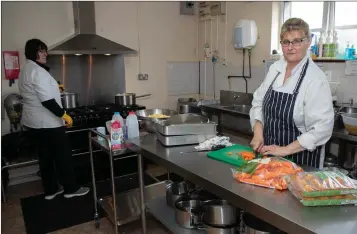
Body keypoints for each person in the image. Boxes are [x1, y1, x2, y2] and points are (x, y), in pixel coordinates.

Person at [249, 18, 334, 168]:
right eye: (286, 42)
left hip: (302, 159)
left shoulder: (315, 78)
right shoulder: (275, 68)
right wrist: (258, 133)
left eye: (297, 41)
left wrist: (284, 150)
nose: (291, 47)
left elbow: (322, 128)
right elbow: (258, 102)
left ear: (308, 42)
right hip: (269, 154)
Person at [18, 39, 90, 200]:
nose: (46, 54)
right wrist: (63, 115)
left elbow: (35, 92)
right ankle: (71, 188)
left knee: (45, 158)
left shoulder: (26, 69)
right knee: (63, 156)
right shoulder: (38, 71)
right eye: (41, 51)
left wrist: (55, 88)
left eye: (45, 51)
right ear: (32, 52)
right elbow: (47, 101)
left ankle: (51, 190)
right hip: (48, 123)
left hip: (34, 123)